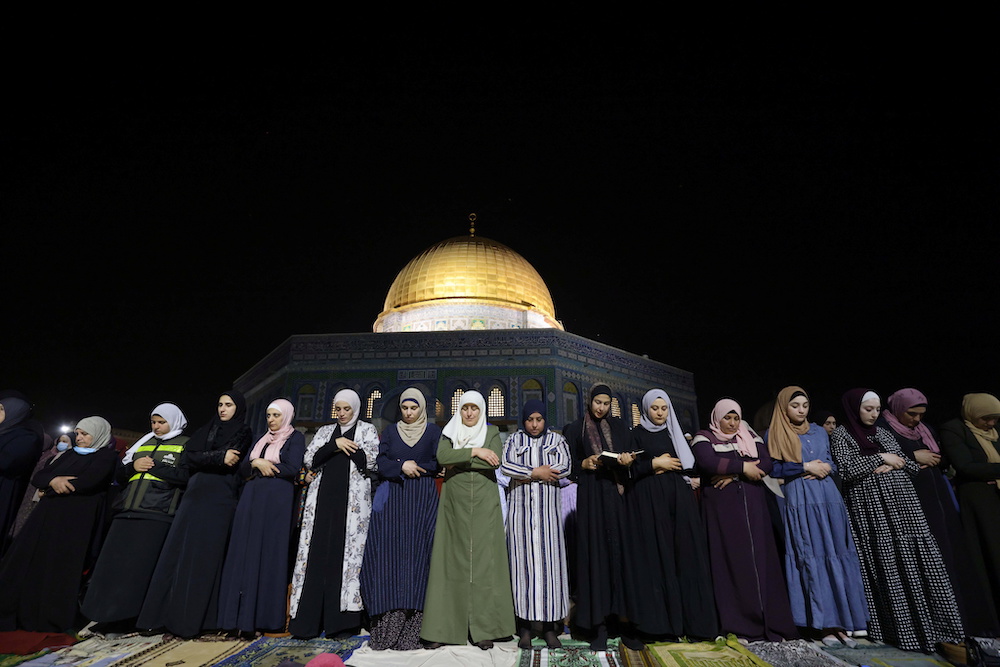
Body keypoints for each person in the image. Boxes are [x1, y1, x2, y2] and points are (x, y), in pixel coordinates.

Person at [829, 388, 964, 653]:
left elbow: (909, 465)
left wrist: (893, 462)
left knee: (919, 561)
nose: (873, 414)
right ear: (855, 409)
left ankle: (938, 630)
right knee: (888, 562)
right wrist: (881, 458)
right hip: (872, 510)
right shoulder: (843, 434)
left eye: (877, 410)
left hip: (904, 506)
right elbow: (845, 469)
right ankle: (901, 632)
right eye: (868, 409)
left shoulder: (882, 432)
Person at [137, 390, 253, 638]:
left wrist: (208, 458)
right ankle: (160, 618)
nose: (223, 409)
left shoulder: (243, 431)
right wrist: (217, 457)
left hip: (220, 497)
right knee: (177, 554)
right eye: (220, 404)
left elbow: (231, 459)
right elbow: (189, 458)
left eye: (229, 405)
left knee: (205, 556)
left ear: (238, 408)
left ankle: (196, 621)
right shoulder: (205, 430)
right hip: (194, 495)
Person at [764, 386, 868, 645]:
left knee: (836, 552)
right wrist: (804, 466)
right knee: (812, 554)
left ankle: (844, 621)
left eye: (805, 405)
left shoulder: (819, 431)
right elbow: (773, 468)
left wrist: (826, 467)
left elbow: (832, 461)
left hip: (828, 496)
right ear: (783, 407)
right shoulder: (775, 432)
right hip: (801, 497)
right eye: (795, 406)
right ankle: (822, 624)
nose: (801, 410)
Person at [691, 398, 796, 643]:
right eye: (727, 418)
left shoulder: (749, 436)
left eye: (736, 418)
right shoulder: (704, 437)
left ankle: (768, 622)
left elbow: (766, 463)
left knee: (759, 563)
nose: (732, 423)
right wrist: (744, 469)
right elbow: (708, 462)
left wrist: (734, 473)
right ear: (717, 417)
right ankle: (738, 624)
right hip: (723, 512)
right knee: (730, 562)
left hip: (754, 510)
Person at [0, 416, 118, 632]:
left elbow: (88, 481)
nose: (79, 438)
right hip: (47, 516)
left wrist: (52, 483)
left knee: (59, 567)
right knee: (29, 561)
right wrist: (53, 481)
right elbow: (41, 476)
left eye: (85, 434)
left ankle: (47, 618)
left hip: (76, 521)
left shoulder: (106, 457)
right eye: (78, 433)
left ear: (98, 434)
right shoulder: (69, 454)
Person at [82, 403, 190, 631]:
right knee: (114, 568)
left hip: (156, 513)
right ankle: (105, 616)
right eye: (153, 422)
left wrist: (154, 466)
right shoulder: (144, 443)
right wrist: (134, 467)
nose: (156, 427)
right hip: (126, 511)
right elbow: (121, 475)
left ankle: (132, 619)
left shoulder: (185, 444)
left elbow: (186, 475)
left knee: (138, 572)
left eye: (162, 422)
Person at [421, 390, 515, 650]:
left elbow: (493, 463)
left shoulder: (491, 432)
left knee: (484, 563)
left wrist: (461, 459)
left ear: (481, 410)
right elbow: (443, 457)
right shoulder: (450, 432)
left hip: (484, 503)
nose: (470, 413)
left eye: (474, 408)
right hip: (455, 503)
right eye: (465, 408)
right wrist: (476, 451)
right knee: (451, 561)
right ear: (459, 410)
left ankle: (485, 628)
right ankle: (445, 628)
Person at [625, 389, 717, 641]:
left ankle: (693, 624)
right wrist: (654, 464)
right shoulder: (636, 434)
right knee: (657, 558)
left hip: (679, 501)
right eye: (654, 408)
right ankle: (661, 626)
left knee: (684, 556)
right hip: (649, 503)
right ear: (646, 409)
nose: (659, 413)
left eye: (664, 408)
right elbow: (629, 470)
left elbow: (691, 465)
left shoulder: (674, 433)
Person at [289, 389, 378, 639]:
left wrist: (341, 449)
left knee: (345, 559)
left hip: (351, 507)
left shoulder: (367, 430)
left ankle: (341, 624)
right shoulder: (325, 432)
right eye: (338, 409)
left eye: (346, 409)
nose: (341, 413)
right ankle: (308, 623)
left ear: (355, 409)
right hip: (321, 503)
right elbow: (310, 459)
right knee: (317, 555)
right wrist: (335, 445)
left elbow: (370, 461)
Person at [563, 384, 643, 651]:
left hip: (618, 500)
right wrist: (583, 464)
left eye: (606, 403)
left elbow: (632, 457)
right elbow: (568, 465)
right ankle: (598, 626)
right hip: (592, 500)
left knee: (622, 558)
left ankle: (625, 624)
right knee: (596, 558)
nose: (601, 408)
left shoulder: (619, 428)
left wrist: (628, 460)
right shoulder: (576, 429)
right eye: (598, 402)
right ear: (589, 401)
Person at [360, 388, 440, 650]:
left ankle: (419, 627)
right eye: (404, 408)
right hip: (394, 498)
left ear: (422, 409)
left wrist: (413, 466)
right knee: (391, 557)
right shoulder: (392, 432)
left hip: (422, 499)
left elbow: (438, 462)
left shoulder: (433, 432)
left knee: (419, 557)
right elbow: (380, 462)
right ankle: (389, 626)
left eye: (413, 408)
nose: (408, 413)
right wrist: (401, 466)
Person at [218, 398, 305, 635]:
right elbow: (243, 468)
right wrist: (256, 462)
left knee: (268, 553)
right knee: (243, 552)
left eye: (276, 415)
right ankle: (234, 619)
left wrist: (266, 465)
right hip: (252, 496)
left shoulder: (295, 437)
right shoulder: (261, 438)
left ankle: (262, 619)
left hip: (277, 499)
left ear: (286, 416)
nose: (271, 420)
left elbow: (293, 468)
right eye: (268, 415)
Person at [501, 398, 571, 649]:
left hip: (548, 518)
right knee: (522, 571)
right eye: (530, 420)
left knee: (550, 570)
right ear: (524, 421)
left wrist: (525, 473)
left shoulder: (556, 440)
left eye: (538, 419)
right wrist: (536, 473)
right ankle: (525, 629)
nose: (534, 424)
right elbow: (506, 465)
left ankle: (550, 628)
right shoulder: (514, 440)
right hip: (520, 517)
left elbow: (564, 466)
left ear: (544, 420)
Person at [939, 392, 1000, 628]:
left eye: (995, 418)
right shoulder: (955, 429)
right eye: (986, 418)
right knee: (991, 554)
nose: (991, 423)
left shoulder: (994, 432)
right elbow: (965, 466)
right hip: (979, 502)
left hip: (994, 496)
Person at [0, 394, 44, 555]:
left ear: (14, 412)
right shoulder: (3, 432)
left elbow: (8, 462)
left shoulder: (26, 437)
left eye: (1, 409)